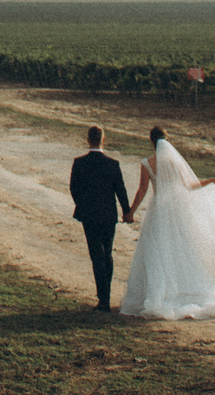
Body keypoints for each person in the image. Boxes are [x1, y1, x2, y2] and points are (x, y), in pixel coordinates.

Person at [119, 124, 215, 320]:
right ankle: (185, 289)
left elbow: (142, 191)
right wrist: (211, 181)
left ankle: (158, 294)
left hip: (160, 212)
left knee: (159, 251)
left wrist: (130, 212)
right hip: (179, 211)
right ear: (166, 139)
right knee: (184, 250)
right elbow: (190, 186)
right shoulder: (176, 162)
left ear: (151, 141)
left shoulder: (147, 163)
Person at [67, 125, 131, 310]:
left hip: (89, 216)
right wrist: (127, 211)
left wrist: (82, 205)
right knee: (107, 254)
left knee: (96, 255)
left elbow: (74, 189)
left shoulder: (79, 163)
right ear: (103, 140)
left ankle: (103, 299)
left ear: (88, 140)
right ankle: (106, 296)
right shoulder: (113, 164)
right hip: (109, 215)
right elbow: (121, 190)